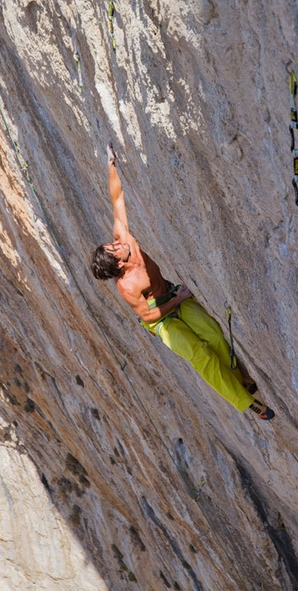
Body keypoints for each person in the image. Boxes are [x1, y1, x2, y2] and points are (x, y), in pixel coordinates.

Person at [91, 143, 275, 421]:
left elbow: (117, 199)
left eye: (113, 244)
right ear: (118, 265)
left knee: (213, 334)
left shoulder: (124, 240)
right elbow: (150, 314)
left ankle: (240, 379)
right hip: (161, 322)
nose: (117, 243)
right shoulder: (127, 286)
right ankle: (246, 402)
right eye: (114, 249)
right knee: (200, 354)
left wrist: (111, 165)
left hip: (172, 296)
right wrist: (178, 299)